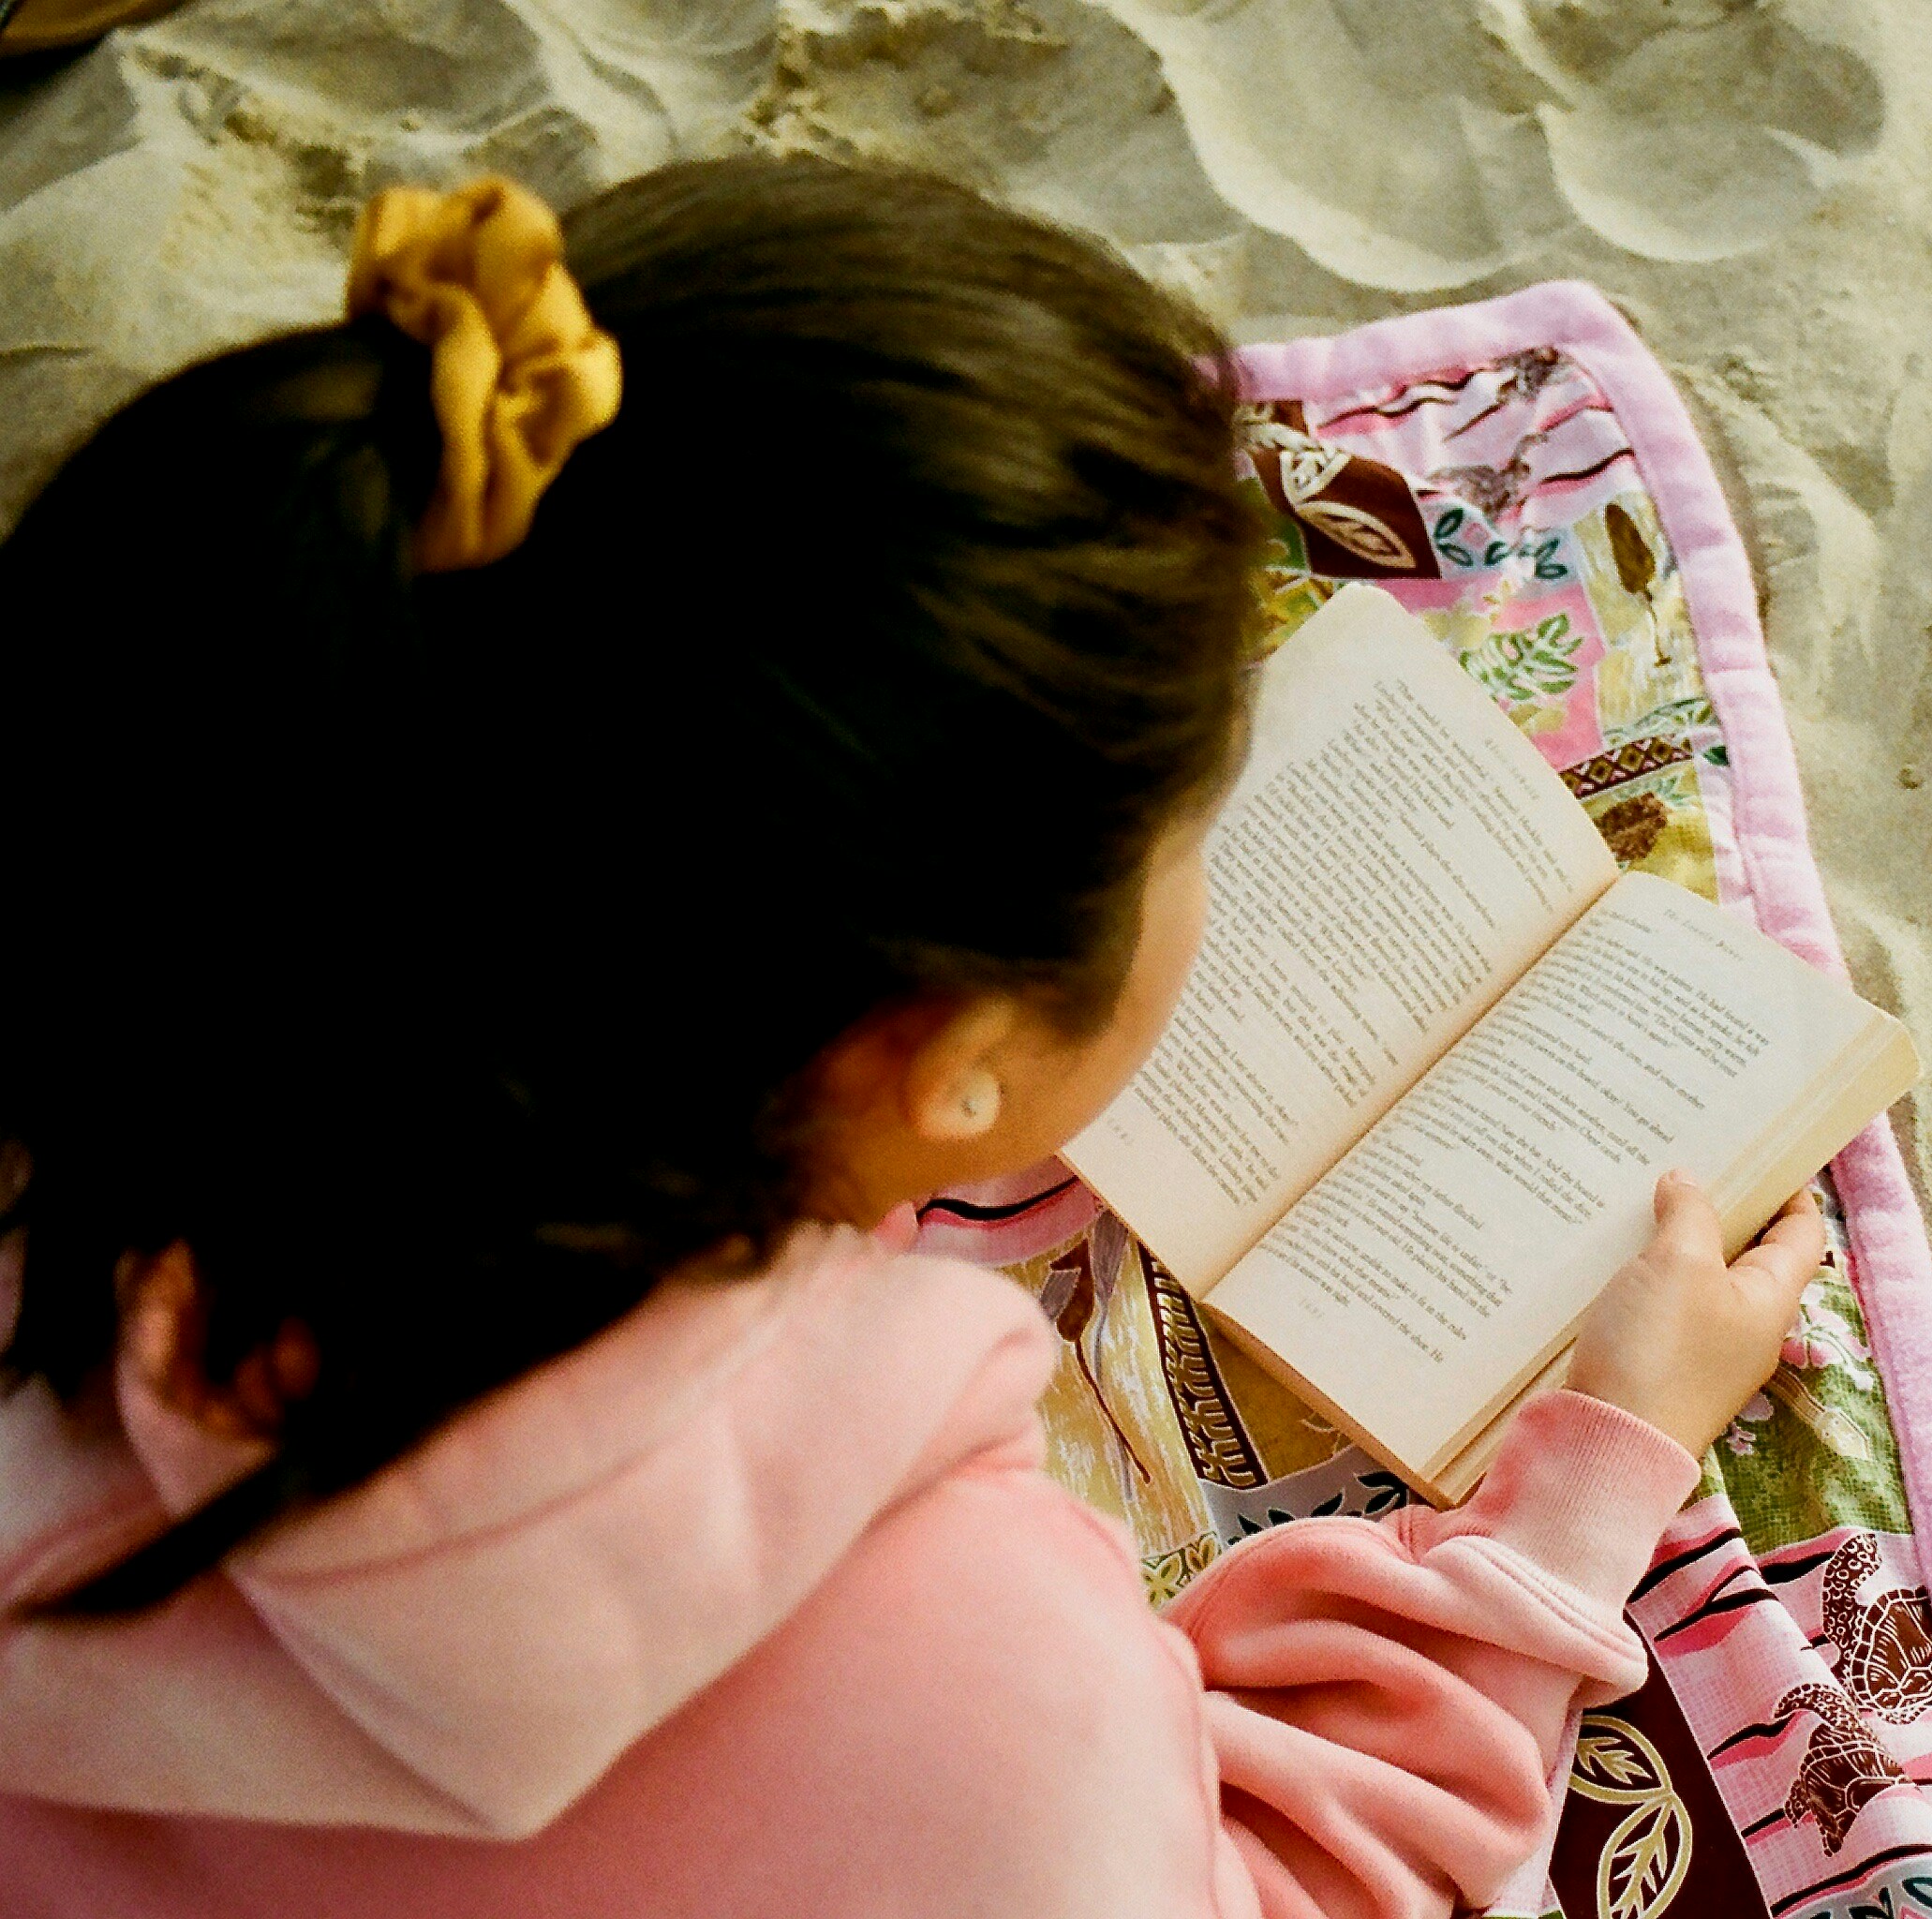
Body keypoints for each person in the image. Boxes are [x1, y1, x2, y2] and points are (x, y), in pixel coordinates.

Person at [0, 158, 1827, 1917]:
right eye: (1191, 831)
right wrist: (1584, 1486)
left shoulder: (114, 1050)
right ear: (941, 1052)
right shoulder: (978, 1661)